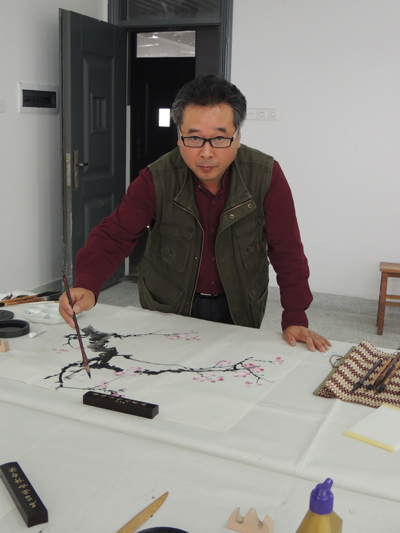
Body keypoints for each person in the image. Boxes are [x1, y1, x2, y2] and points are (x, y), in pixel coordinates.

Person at [59, 75, 331, 353]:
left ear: (238, 137)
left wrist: (295, 316)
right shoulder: (156, 179)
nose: (206, 152)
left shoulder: (265, 176)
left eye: (220, 138)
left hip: (239, 305)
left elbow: (286, 249)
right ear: (179, 137)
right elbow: (115, 235)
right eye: (194, 138)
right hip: (168, 305)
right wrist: (88, 284)